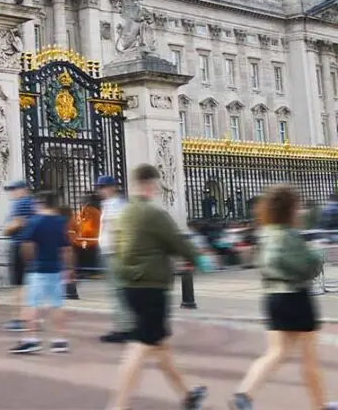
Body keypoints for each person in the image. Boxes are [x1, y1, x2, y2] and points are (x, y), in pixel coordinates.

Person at [107, 164, 212, 410]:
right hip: (151, 287)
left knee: (160, 345)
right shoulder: (153, 214)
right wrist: (200, 259)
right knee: (141, 348)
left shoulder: (124, 213)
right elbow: (177, 242)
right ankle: (118, 405)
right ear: (149, 185)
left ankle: (187, 396)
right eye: (155, 186)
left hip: (131, 285)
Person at [230, 185, 333, 410]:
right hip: (296, 298)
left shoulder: (265, 233)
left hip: (272, 298)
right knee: (309, 359)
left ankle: (244, 393)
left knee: (276, 352)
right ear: (290, 210)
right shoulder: (289, 236)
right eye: (297, 207)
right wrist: (319, 254)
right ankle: (319, 406)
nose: (300, 212)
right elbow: (307, 268)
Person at [9, 191, 73, 354]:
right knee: (57, 305)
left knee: (31, 304)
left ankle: (31, 339)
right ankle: (60, 340)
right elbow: (66, 249)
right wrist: (69, 268)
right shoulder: (60, 222)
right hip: (56, 269)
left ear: (42, 204)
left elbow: (26, 245)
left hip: (39, 268)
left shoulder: (35, 221)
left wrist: (29, 262)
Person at [96, 175, 133, 343]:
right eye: (100, 187)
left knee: (120, 290)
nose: (100, 190)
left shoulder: (118, 205)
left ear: (112, 187)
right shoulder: (108, 204)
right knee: (117, 290)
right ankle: (125, 325)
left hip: (116, 253)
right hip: (109, 251)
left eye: (103, 187)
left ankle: (125, 328)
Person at [2, 180, 35, 332]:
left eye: (14, 189)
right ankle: (29, 317)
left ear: (23, 190)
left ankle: (19, 319)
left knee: (18, 285)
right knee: (26, 284)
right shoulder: (32, 203)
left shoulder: (20, 203)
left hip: (19, 245)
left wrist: (7, 229)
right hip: (29, 245)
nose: (12, 193)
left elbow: (16, 223)